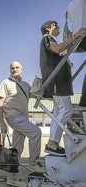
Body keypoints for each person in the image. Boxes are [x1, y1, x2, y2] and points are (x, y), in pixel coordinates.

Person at [40, 21, 86, 156]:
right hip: (57, 83)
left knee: (59, 112)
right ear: (49, 28)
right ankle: (52, 143)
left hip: (59, 83)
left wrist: (76, 38)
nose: (59, 27)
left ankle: (53, 144)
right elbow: (57, 49)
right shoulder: (47, 38)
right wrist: (74, 36)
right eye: (56, 25)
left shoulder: (52, 40)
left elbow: (63, 49)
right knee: (66, 110)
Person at [0, 61, 42, 187]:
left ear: (21, 70)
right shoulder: (5, 83)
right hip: (13, 116)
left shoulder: (25, 85)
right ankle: (34, 163)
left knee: (16, 150)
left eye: (17, 68)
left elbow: (37, 94)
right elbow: (0, 104)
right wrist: (2, 123)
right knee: (36, 132)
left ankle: (11, 178)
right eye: (12, 68)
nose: (14, 69)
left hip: (23, 118)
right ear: (9, 70)